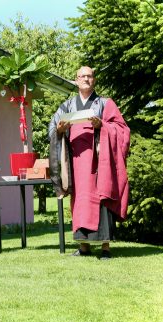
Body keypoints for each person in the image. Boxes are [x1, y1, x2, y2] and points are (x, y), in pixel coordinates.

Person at [49, 66, 130, 259]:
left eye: (89, 76)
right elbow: (52, 130)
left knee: (101, 199)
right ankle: (83, 247)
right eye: (82, 76)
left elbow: (122, 129)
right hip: (76, 163)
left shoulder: (105, 103)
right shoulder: (67, 106)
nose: (86, 79)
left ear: (94, 80)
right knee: (79, 202)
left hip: (99, 162)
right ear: (76, 81)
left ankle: (105, 248)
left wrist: (101, 125)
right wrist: (60, 130)